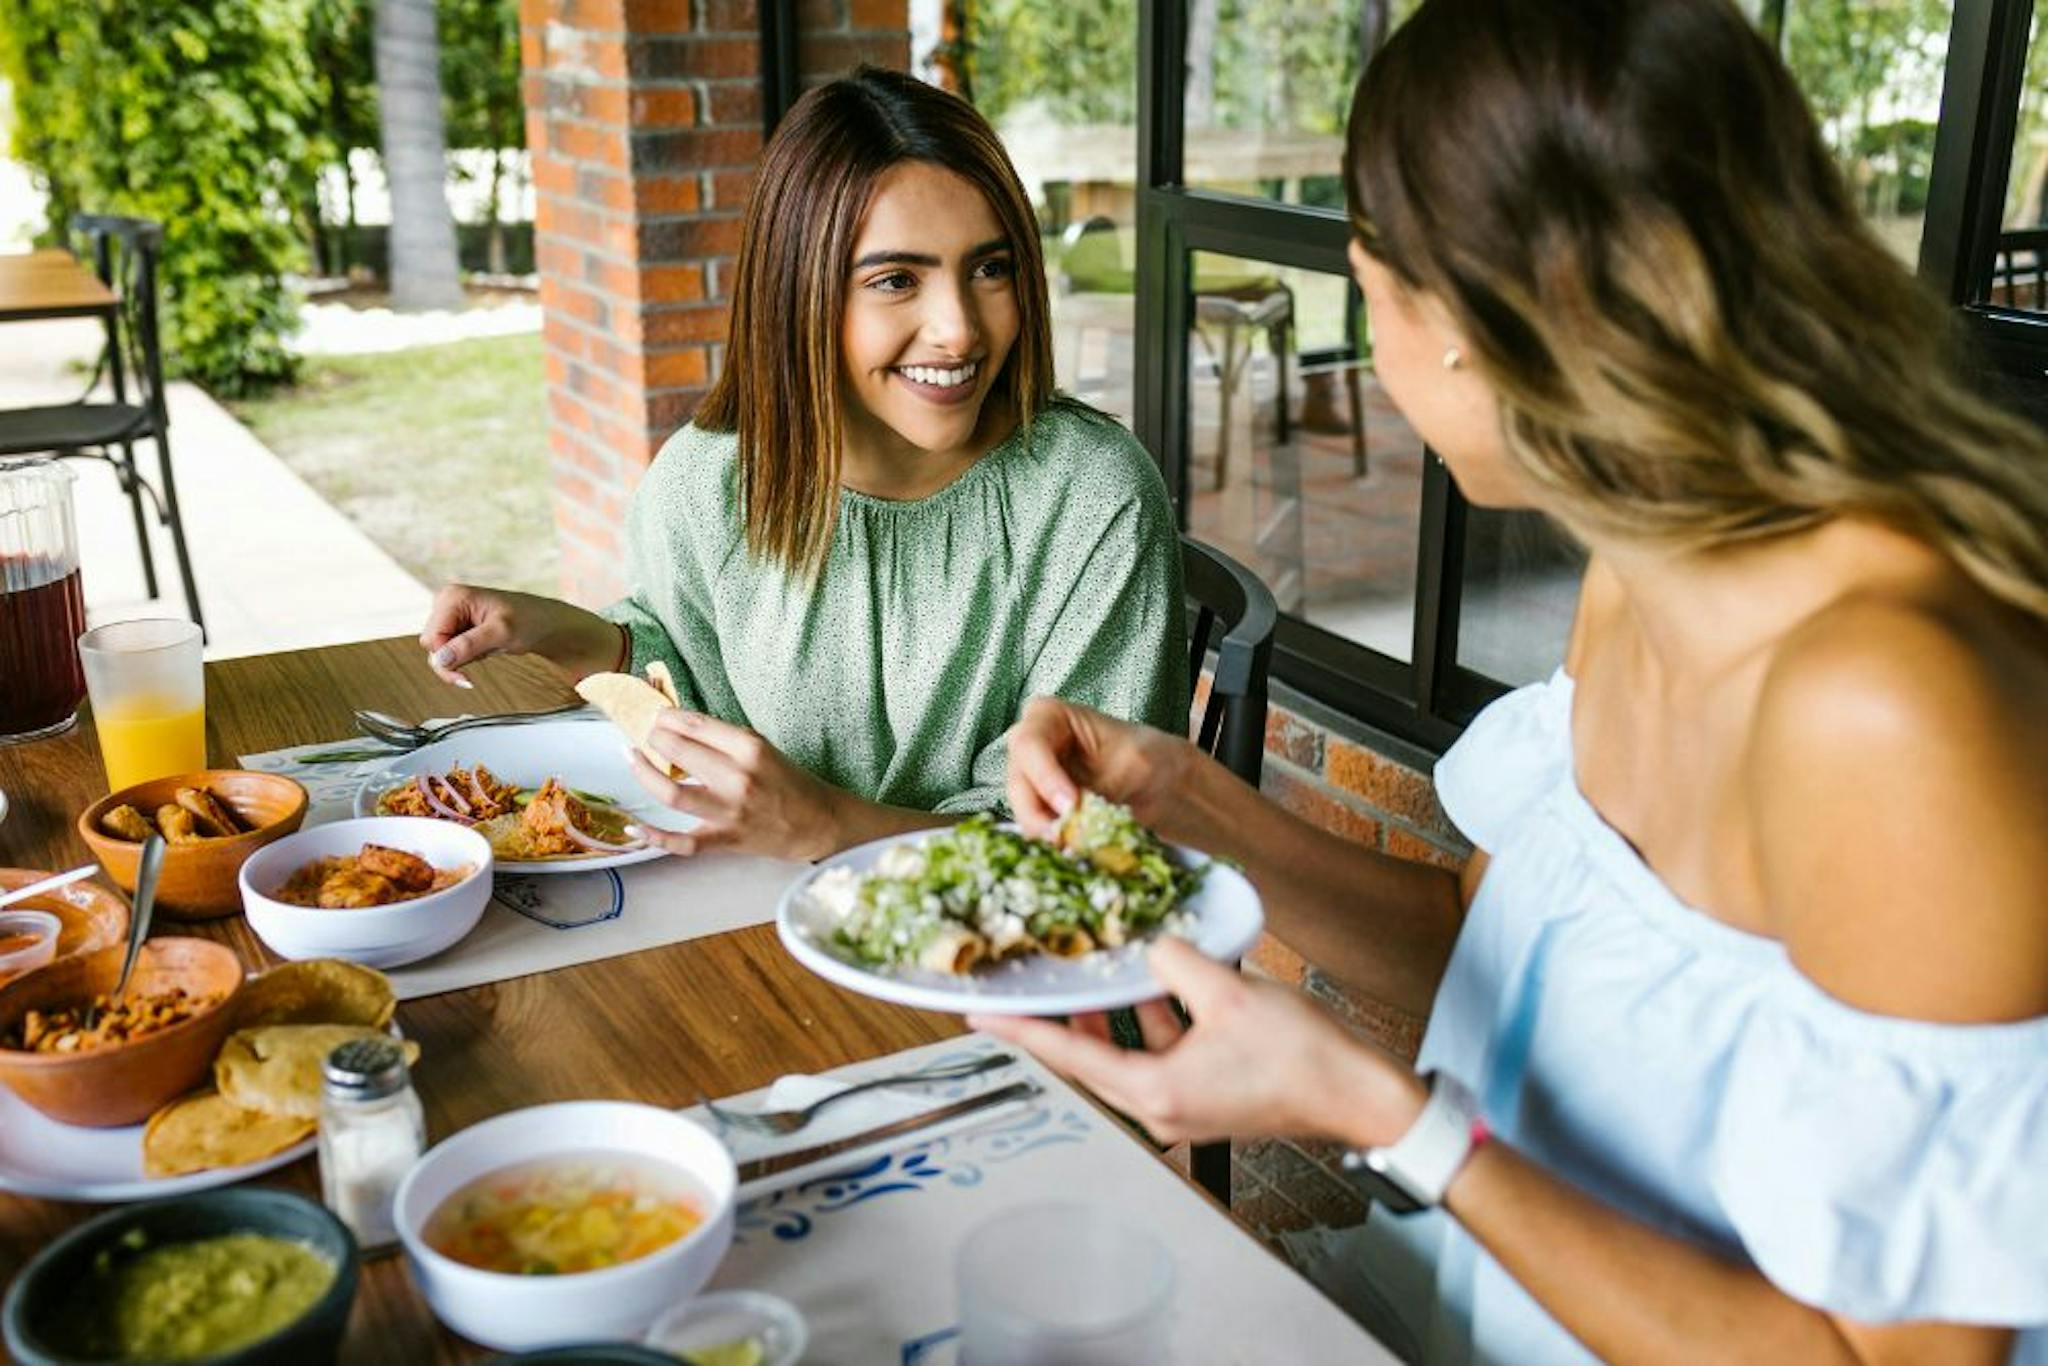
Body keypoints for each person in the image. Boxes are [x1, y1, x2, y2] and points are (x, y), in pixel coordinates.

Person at [976, 2, 2048, 1361]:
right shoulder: (1638, 571)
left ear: (1478, 322)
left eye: (1370, 291)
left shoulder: (1890, 704)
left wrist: (1390, 1120)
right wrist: (1182, 794)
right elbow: (1487, 959)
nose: (1374, 359)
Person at [417, 68, 1185, 862]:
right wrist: (560, 631)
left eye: (990, 268)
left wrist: (830, 828)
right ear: (800, 290)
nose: (959, 329)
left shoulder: (1094, 495)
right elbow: (696, 688)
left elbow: (1090, 842)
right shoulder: (707, 484)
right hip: (768, 927)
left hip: (1031, 966)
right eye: (896, 280)